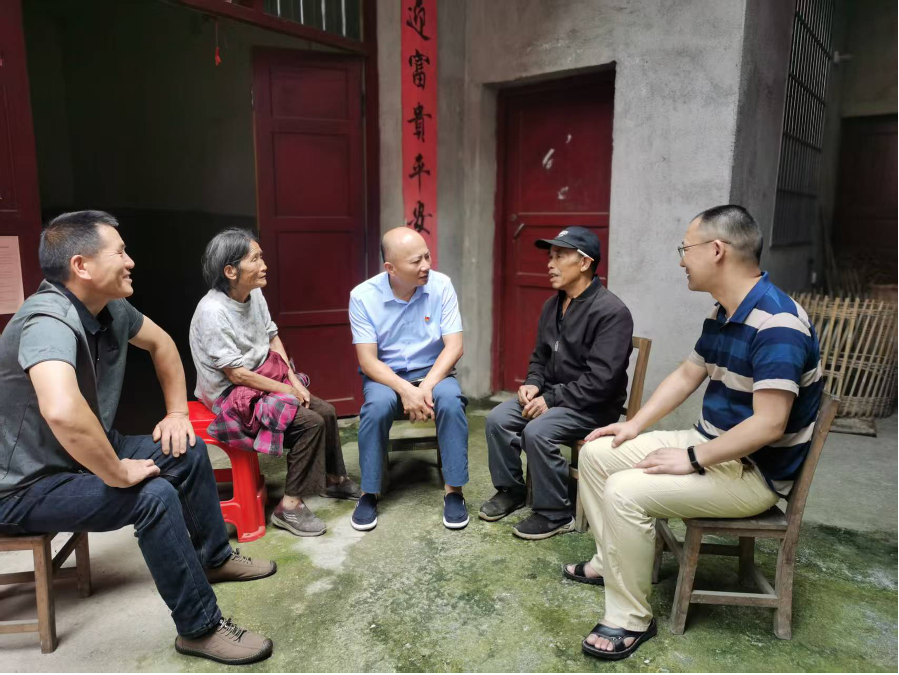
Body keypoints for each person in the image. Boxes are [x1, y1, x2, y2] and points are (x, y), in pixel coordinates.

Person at [0, 211, 275, 665]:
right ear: (81, 266)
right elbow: (62, 410)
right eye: (120, 252)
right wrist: (115, 470)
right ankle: (200, 629)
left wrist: (176, 413)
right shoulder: (47, 320)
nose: (131, 262)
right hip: (26, 485)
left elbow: (163, 344)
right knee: (152, 496)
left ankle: (214, 558)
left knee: (185, 448)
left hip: (79, 457)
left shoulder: (109, 309)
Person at [566, 205, 822, 661]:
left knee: (625, 491)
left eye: (686, 248)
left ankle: (629, 619)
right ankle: (612, 563)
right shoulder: (725, 310)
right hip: (710, 445)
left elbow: (770, 423)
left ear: (717, 250)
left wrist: (690, 459)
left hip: (752, 473)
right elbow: (689, 373)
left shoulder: (778, 324)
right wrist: (633, 425)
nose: (682, 259)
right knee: (598, 452)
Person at [189, 228, 361, 538]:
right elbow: (236, 375)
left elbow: (272, 337)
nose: (264, 265)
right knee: (310, 424)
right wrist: (286, 389)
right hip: (232, 394)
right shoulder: (212, 312)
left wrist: (294, 379)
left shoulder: (253, 293)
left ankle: (333, 479)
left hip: (263, 376)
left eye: (261, 257)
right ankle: (289, 507)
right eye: (255, 259)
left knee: (327, 411)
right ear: (230, 271)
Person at [480, 227, 633, 540]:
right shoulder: (553, 305)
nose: (550, 264)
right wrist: (533, 383)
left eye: (560, 256)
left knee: (538, 431)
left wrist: (550, 399)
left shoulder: (612, 312)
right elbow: (540, 357)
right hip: (553, 398)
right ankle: (511, 490)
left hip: (593, 406)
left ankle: (555, 513)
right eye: (550, 256)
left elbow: (601, 381)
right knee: (497, 419)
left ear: (584, 263)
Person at [348, 227, 468, 532]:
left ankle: (454, 491)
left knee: (451, 402)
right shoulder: (363, 297)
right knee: (375, 409)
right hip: (386, 376)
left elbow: (454, 347)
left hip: (434, 371)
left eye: (427, 256)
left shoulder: (442, 286)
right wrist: (405, 390)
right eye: (416, 261)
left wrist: (425, 387)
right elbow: (367, 361)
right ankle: (369, 492)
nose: (426, 265)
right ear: (391, 268)